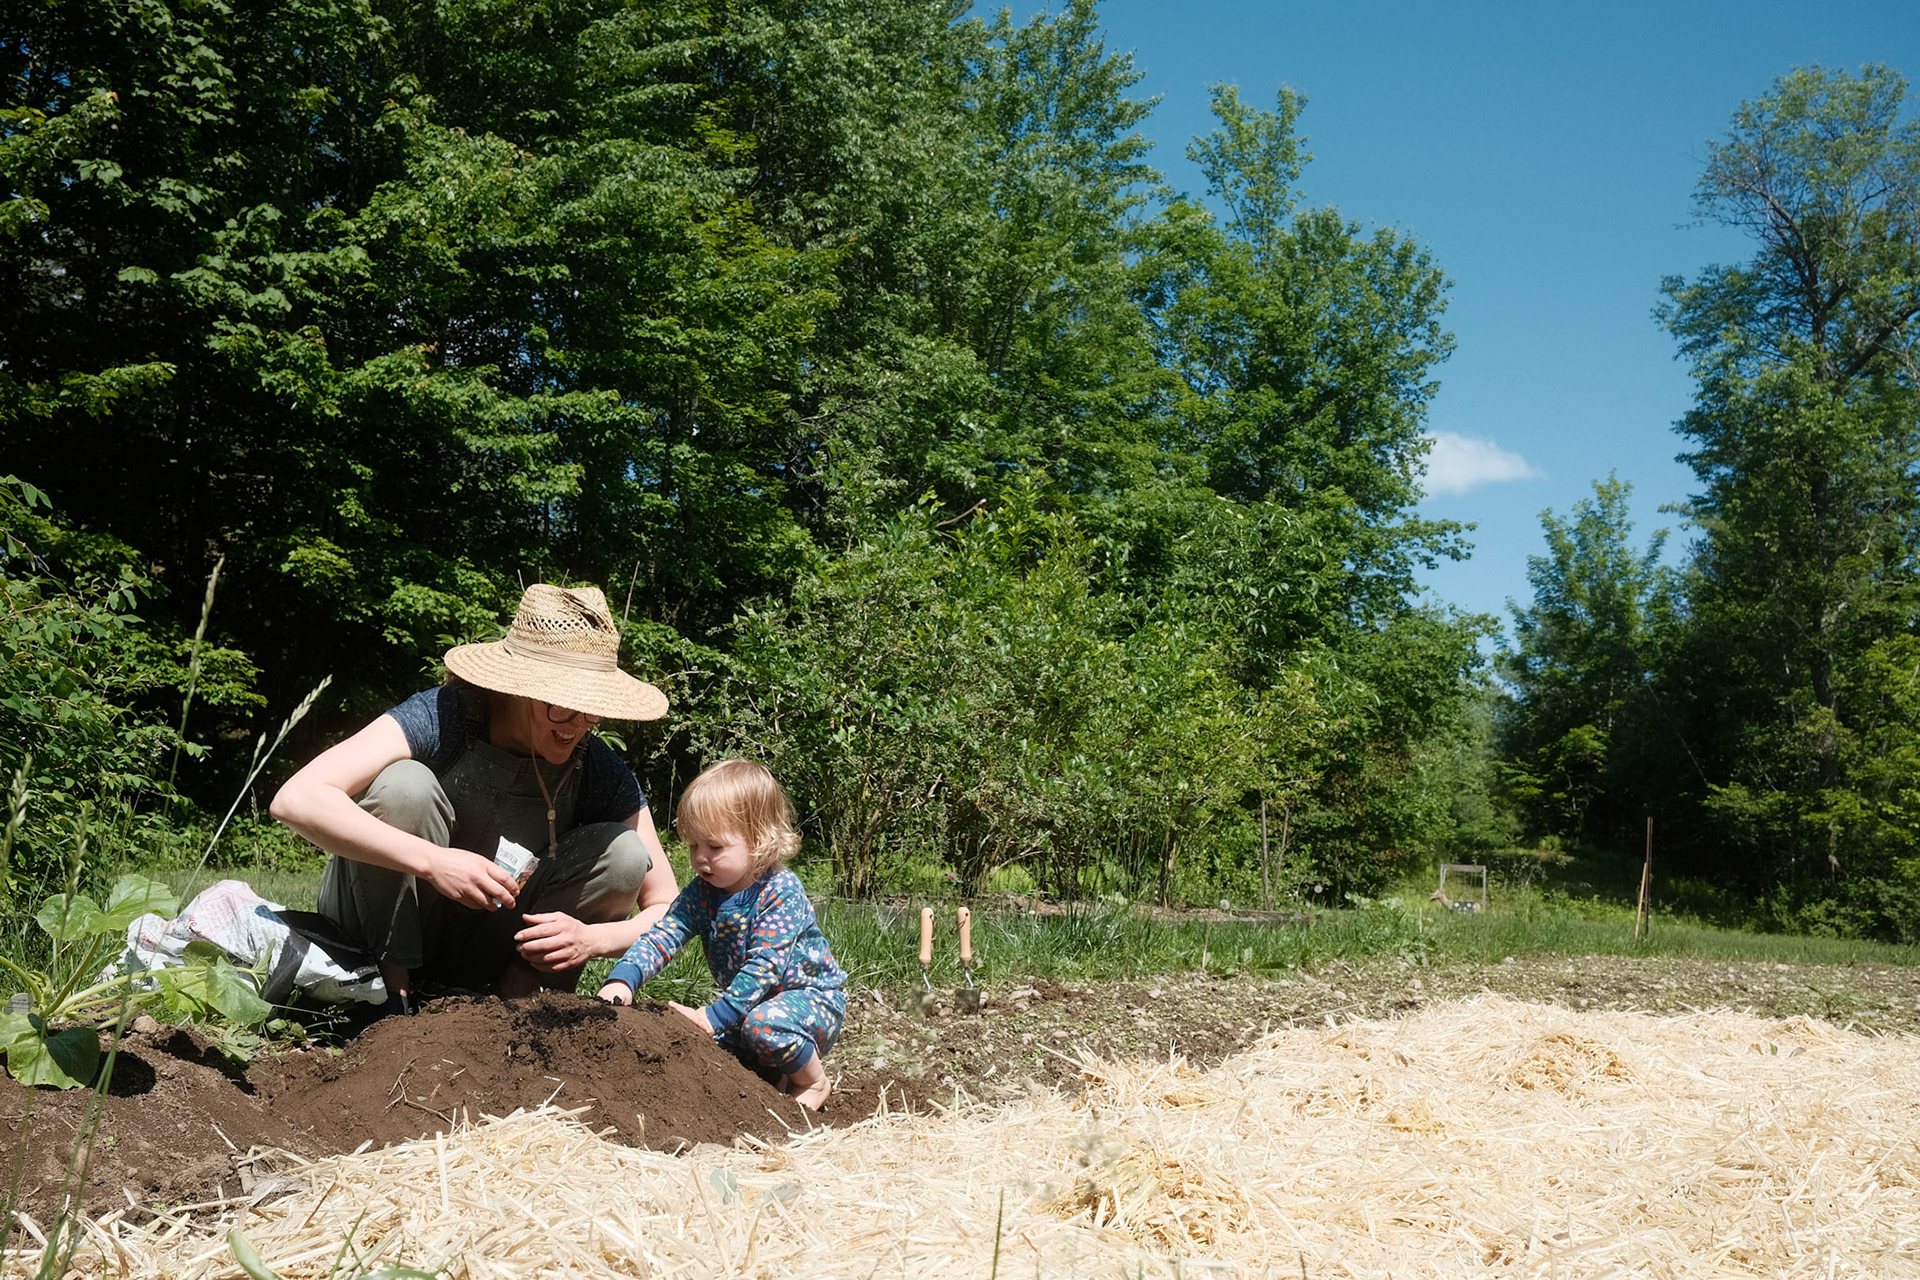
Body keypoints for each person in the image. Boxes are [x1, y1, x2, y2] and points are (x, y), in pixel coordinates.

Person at [271, 583, 679, 1006]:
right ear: (519, 688)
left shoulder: (597, 768)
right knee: (405, 787)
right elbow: (296, 799)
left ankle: (518, 1000)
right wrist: (434, 862)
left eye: (591, 709)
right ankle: (389, 995)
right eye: (562, 706)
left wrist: (594, 939)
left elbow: (671, 907)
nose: (577, 725)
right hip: (376, 928)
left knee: (625, 852)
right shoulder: (442, 716)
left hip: (490, 945)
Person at [598, 759, 846, 1110]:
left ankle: (813, 1082)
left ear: (758, 840)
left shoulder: (780, 892)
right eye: (693, 845)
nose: (701, 858)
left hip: (811, 1001)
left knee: (764, 1025)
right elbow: (663, 935)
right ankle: (775, 1074)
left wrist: (712, 1017)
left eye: (714, 847)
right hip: (750, 1005)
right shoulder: (702, 892)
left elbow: (764, 969)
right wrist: (623, 980)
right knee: (706, 1049)